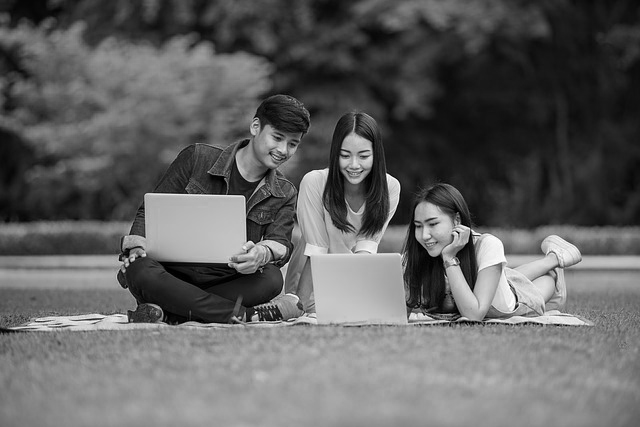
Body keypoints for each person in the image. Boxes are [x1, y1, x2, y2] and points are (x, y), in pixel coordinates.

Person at [117, 94, 311, 324]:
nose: (283, 149)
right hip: (169, 274)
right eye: (277, 138)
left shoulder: (285, 191)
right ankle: (248, 316)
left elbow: (280, 243)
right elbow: (149, 212)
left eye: (293, 144)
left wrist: (262, 253)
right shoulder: (197, 157)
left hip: (227, 280)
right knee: (138, 268)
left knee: (271, 278)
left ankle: (168, 311)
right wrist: (137, 247)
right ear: (255, 126)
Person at [402, 183, 582, 321]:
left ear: (457, 220)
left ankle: (554, 262)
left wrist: (449, 258)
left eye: (433, 224)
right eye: (418, 226)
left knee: (544, 280)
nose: (424, 235)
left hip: (516, 301)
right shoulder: (418, 253)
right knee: (506, 276)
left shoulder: (488, 245)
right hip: (499, 281)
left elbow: (473, 315)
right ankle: (554, 257)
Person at [284, 111, 401, 313]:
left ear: (376, 155)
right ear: (335, 153)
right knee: (309, 312)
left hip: (353, 276)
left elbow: (366, 249)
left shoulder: (389, 188)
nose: (354, 165)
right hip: (309, 278)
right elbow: (316, 251)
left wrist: (357, 296)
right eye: (345, 155)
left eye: (363, 156)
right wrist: (301, 309)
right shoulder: (315, 183)